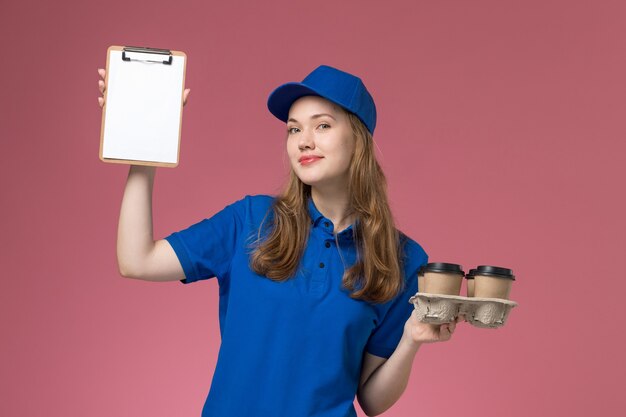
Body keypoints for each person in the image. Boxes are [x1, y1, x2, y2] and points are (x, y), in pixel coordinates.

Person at [97, 64, 461, 417]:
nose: (304, 141)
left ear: (358, 139)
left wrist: (411, 340)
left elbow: (373, 400)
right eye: (293, 129)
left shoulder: (403, 258)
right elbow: (137, 260)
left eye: (322, 126)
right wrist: (144, 149)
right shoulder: (250, 220)